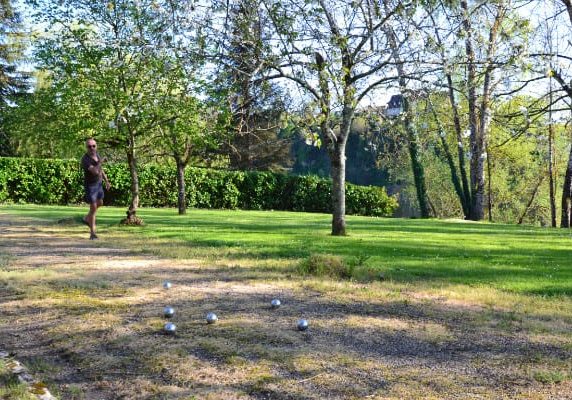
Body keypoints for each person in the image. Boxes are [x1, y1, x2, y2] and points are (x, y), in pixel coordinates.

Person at [81, 138, 110, 240]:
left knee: (100, 203)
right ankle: (92, 234)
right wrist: (100, 162)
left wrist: (106, 181)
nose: (92, 148)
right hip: (91, 186)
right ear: (86, 148)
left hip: (98, 184)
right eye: (89, 146)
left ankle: (86, 218)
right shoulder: (85, 159)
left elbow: (101, 170)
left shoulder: (97, 155)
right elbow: (95, 171)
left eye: (94, 146)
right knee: (93, 208)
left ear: (96, 146)